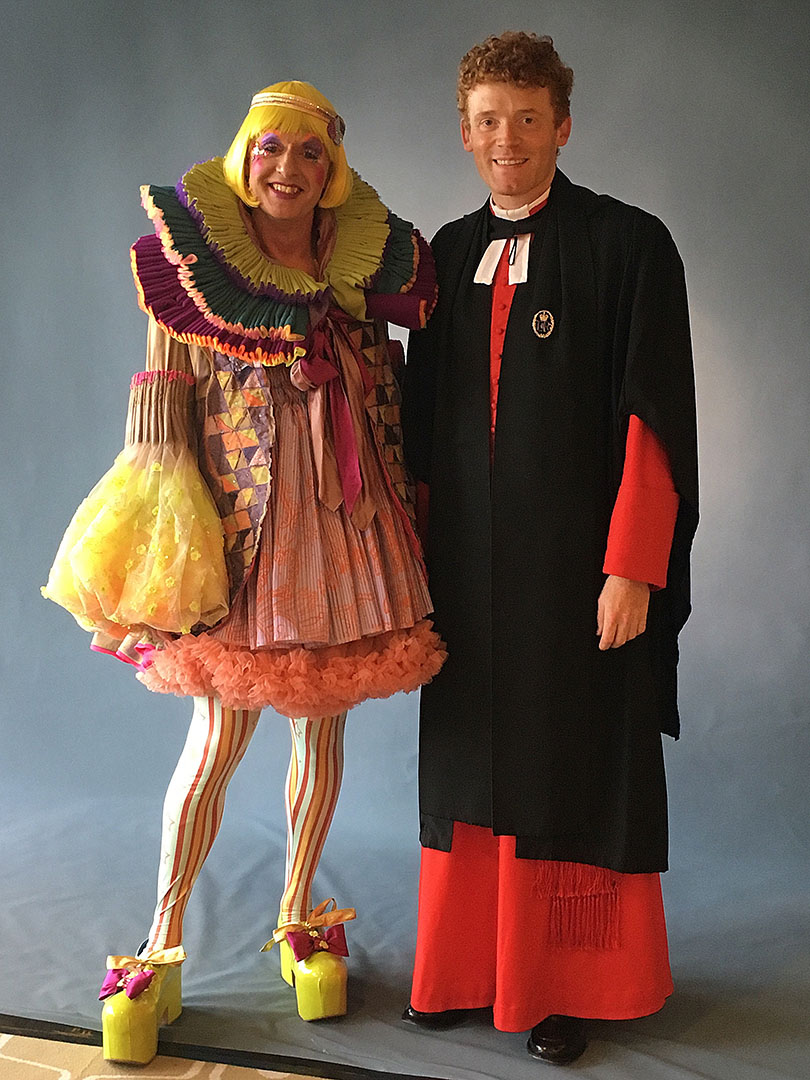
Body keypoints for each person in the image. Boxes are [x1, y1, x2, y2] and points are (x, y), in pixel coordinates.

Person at [42, 80, 444, 1064]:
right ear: (243, 156)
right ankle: (160, 942)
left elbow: (394, 401)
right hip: (242, 536)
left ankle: (298, 915)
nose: (287, 169)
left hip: (347, 528)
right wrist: (168, 549)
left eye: (309, 153)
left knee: (323, 724)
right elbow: (162, 420)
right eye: (271, 148)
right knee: (217, 737)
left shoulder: (359, 270)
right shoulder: (189, 272)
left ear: (331, 169)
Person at [401, 32, 698, 1065]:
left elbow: (653, 420)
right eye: (488, 120)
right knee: (465, 768)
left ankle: (564, 987)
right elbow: (415, 427)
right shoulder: (443, 256)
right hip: (464, 580)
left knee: (568, 772)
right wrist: (405, 578)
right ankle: (462, 970)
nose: (508, 140)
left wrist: (634, 567)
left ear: (562, 127)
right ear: (465, 131)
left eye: (527, 119)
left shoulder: (630, 245)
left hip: (578, 582)